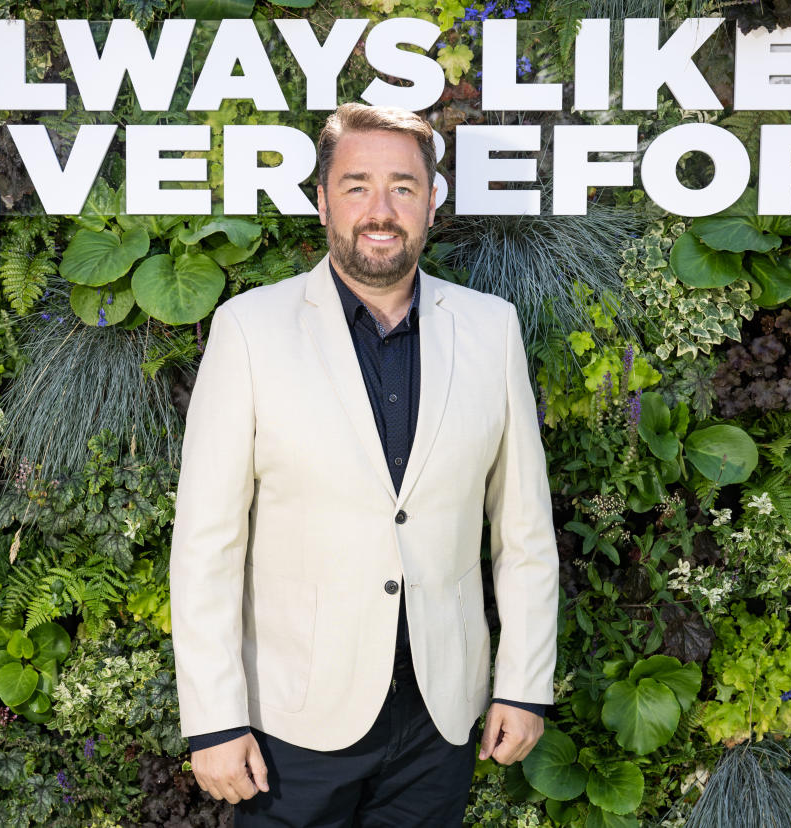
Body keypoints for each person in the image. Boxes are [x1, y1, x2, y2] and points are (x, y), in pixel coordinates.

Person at [170, 102, 560, 826]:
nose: (380, 211)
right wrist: (216, 719)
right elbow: (206, 545)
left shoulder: (491, 329)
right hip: (294, 719)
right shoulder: (249, 331)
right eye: (356, 186)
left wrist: (524, 684)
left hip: (440, 718)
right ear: (322, 201)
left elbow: (524, 533)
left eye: (403, 188)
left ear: (432, 203)